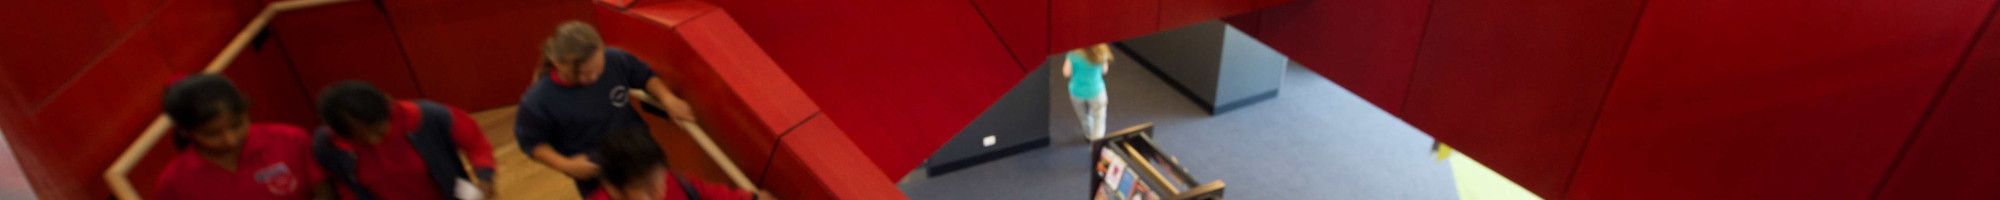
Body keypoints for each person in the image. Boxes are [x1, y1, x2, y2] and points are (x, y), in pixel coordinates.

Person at [517, 20, 700, 196]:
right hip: (598, 175)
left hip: (642, 156)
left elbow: (644, 76)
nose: (595, 77)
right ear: (559, 64)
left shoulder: (615, 59)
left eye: (599, 68)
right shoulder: (538, 100)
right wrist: (566, 165)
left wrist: (667, 98)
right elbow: (532, 142)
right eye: (586, 74)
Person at [311, 81, 499, 199]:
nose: (373, 141)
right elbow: (339, 184)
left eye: (377, 130)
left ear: (388, 107)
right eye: (361, 137)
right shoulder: (328, 144)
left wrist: (484, 179)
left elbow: (476, 144)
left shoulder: (427, 116)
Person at [155, 74, 328, 199]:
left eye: (237, 125)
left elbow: (323, 192)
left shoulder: (290, 139)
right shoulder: (175, 182)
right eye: (212, 134)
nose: (230, 140)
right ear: (185, 131)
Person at [592, 126, 763, 200]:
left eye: (661, 181)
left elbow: (706, 192)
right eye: (648, 191)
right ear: (613, 190)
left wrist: (753, 198)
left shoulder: (671, 180)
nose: (660, 194)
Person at [1064, 44, 1113, 140]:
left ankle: (1088, 134)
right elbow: (1104, 71)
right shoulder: (1101, 51)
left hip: (1076, 92)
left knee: (1083, 116)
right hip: (1097, 92)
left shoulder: (1073, 54)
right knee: (1099, 119)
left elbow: (1066, 73)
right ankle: (1096, 141)